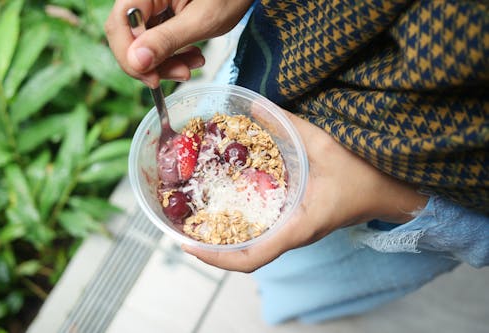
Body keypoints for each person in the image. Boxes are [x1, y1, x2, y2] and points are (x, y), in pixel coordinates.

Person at [105, 0, 489, 324]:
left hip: (387, 209)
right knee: (282, 268)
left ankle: (303, 309)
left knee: (321, 279)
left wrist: (388, 197)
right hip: (260, 76)